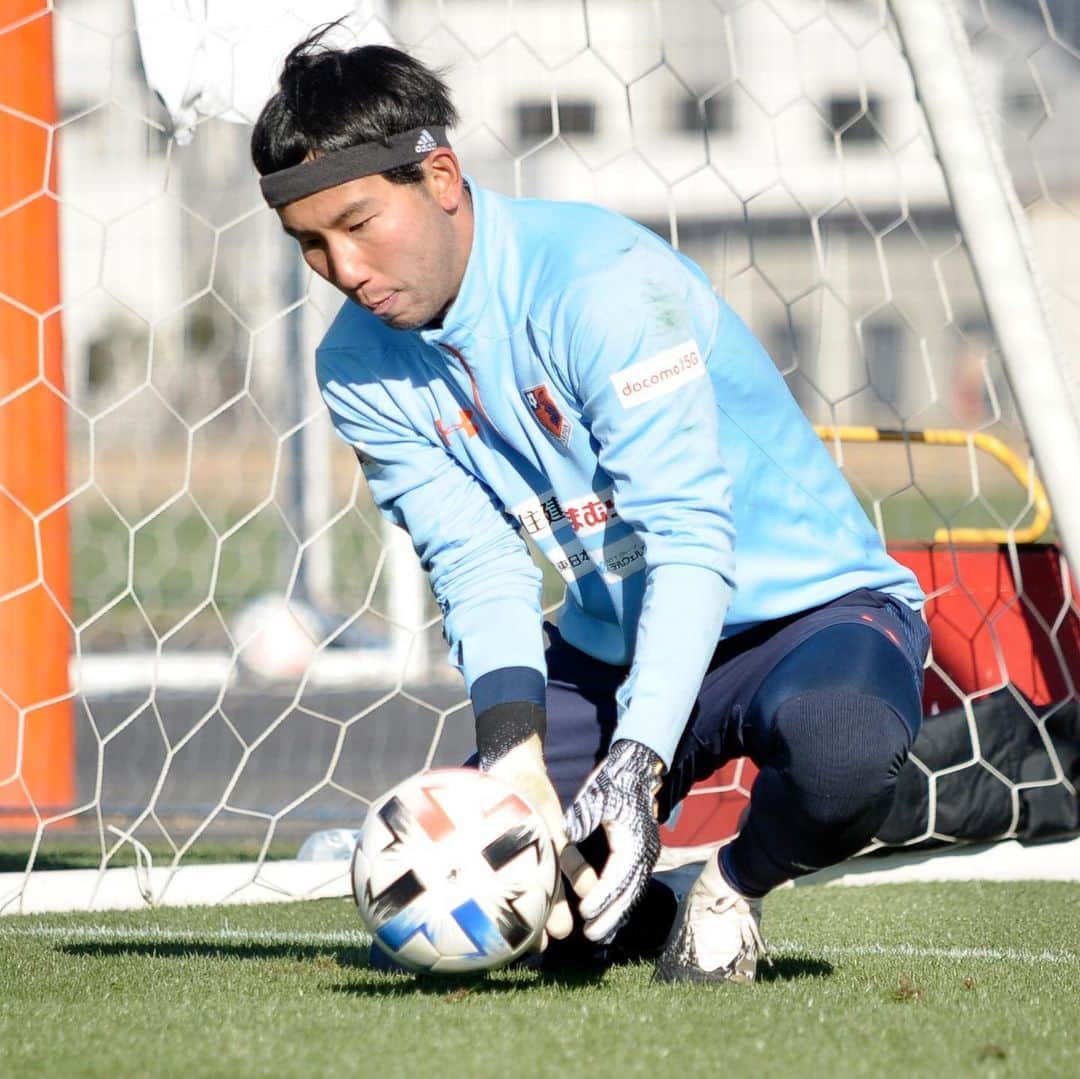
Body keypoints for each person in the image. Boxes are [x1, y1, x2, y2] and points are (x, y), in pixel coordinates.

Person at [251, 30, 930, 983]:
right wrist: (516, 759)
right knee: (500, 915)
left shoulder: (599, 285)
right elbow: (475, 562)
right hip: (612, 640)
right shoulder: (356, 366)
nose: (344, 268)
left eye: (360, 223)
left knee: (844, 755)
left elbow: (691, 536)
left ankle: (730, 888)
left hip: (808, 618)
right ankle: (629, 910)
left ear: (440, 175)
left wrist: (637, 763)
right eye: (312, 244)